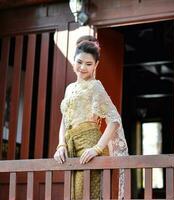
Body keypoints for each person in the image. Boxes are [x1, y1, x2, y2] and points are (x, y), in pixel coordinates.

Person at [53, 35, 128, 200]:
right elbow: (65, 119)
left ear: (96, 65)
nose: (82, 67)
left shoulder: (96, 86)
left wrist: (97, 148)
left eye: (88, 64)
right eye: (79, 62)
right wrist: (60, 145)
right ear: (73, 60)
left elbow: (114, 120)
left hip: (90, 146)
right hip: (72, 146)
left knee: (86, 196)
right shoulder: (69, 88)